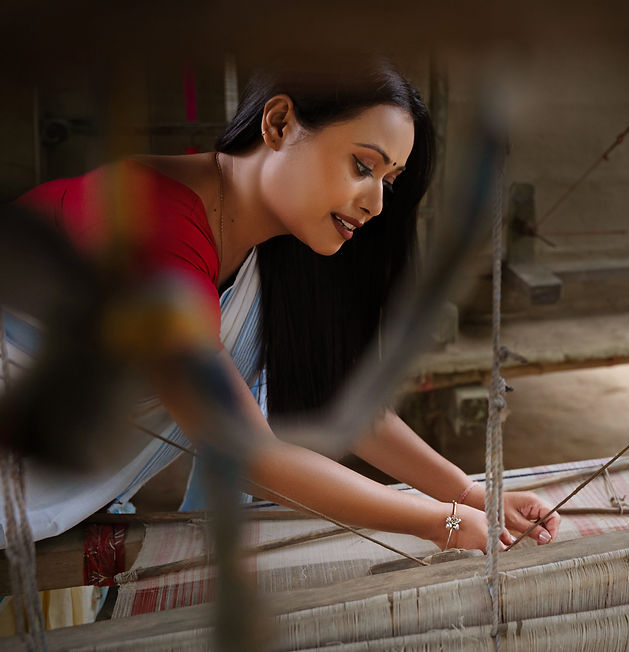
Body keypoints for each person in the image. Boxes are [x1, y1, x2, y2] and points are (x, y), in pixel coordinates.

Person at [5, 58, 559, 553]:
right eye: (363, 166)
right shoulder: (150, 224)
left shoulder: (275, 240)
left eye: (389, 181)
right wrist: (441, 522)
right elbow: (249, 455)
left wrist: (473, 494)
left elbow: (336, 397)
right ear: (278, 124)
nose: (376, 203)